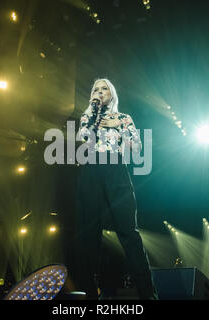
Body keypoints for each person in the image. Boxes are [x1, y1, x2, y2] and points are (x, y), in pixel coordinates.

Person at [74, 78, 158, 300]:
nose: (100, 92)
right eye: (96, 89)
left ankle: (148, 294)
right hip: (91, 169)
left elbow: (137, 147)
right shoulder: (87, 115)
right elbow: (82, 136)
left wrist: (118, 129)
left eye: (104, 89)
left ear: (112, 93)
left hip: (116, 168)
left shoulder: (124, 118)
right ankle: (90, 294)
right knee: (89, 232)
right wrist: (93, 114)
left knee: (129, 231)